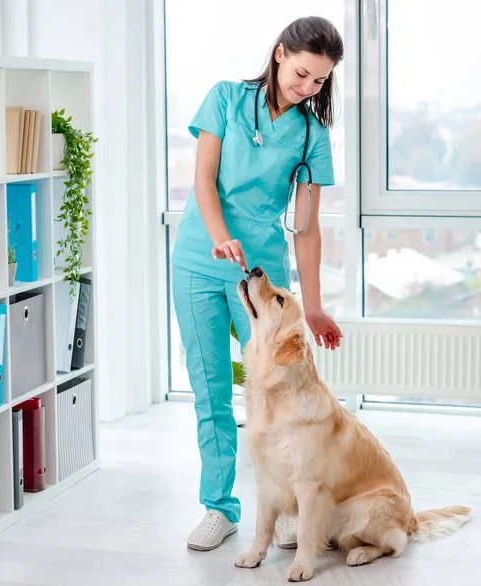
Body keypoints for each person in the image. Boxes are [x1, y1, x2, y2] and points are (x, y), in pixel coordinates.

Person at [172, 16, 344, 551]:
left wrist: (311, 307)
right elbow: (203, 179)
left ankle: (289, 506)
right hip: (200, 260)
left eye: (319, 81)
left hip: (262, 276)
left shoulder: (312, 134)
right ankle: (219, 509)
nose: (309, 88)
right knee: (212, 391)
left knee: (280, 396)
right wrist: (221, 238)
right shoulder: (224, 98)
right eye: (302, 73)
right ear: (278, 54)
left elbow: (309, 227)